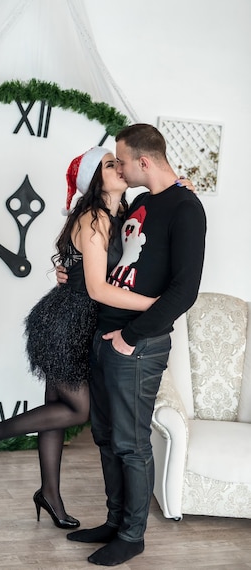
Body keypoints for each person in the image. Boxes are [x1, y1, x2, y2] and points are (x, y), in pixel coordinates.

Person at [0, 146, 158, 530]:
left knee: (56, 409)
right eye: (108, 164)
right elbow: (98, 286)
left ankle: (49, 494)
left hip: (71, 319)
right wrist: (154, 304)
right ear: (94, 179)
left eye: (118, 161)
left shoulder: (120, 213)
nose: (118, 166)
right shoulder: (96, 217)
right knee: (78, 410)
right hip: (66, 323)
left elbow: (78, 260)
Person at [65, 124, 206, 567]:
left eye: (122, 160)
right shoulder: (142, 202)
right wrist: (71, 273)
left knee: (131, 444)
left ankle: (132, 534)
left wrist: (130, 336)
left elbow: (185, 292)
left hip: (137, 345)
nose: (119, 169)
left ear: (143, 162)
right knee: (105, 438)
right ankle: (113, 520)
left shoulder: (186, 210)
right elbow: (113, 259)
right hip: (105, 333)